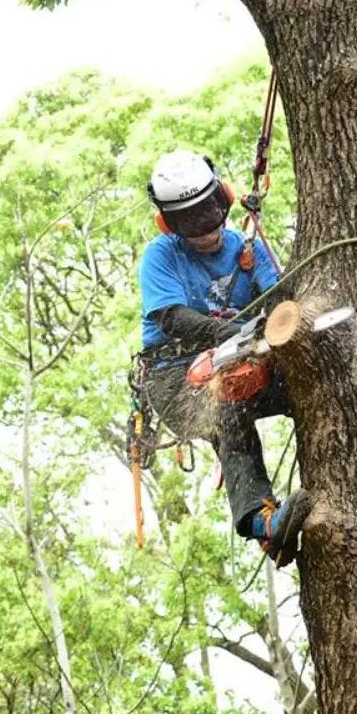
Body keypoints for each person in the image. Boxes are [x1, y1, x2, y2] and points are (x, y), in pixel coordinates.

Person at [137, 150, 306, 566]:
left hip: (242, 359)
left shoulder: (248, 248)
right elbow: (172, 318)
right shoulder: (161, 256)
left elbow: (279, 298)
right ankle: (259, 519)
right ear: (168, 223)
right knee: (225, 405)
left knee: (311, 382)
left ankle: (351, 488)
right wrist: (230, 333)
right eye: (190, 220)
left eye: (211, 210)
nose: (204, 226)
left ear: (224, 198)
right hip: (176, 375)